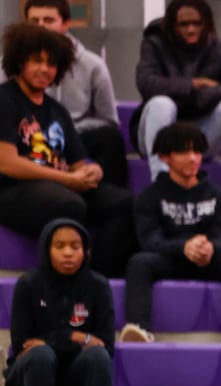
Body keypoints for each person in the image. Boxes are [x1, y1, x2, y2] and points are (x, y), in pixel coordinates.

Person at [0, 23, 135, 278]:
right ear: (19, 61)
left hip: (57, 186)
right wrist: (67, 179)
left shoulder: (57, 110)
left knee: (126, 204)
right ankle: (61, 281)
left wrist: (90, 170)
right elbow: (6, 163)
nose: (44, 69)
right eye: (36, 61)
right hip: (11, 191)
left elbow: (76, 162)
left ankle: (99, 279)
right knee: (67, 203)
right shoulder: (5, 100)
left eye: (51, 64)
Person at [121, 122, 221, 346]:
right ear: (165, 157)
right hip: (170, 258)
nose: (193, 158)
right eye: (183, 152)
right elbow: (150, 240)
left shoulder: (219, 196)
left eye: (196, 151)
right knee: (139, 262)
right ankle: (138, 327)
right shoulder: (149, 197)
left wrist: (210, 247)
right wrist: (183, 247)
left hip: (208, 259)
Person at [4, 218, 114, 386]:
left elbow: (106, 346)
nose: (67, 252)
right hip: (32, 379)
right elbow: (23, 346)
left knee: (97, 357)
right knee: (40, 355)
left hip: (78, 382)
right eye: (60, 245)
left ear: (85, 250)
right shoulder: (28, 285)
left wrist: (55, 340)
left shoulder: (98, 286)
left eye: (75, 246)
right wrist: (77, 338)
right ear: (46, 249)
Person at [135, 0, 221, 190]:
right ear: (172, 25)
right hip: (161, 133)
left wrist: (202, 96)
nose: (191, 29)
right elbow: (147, 84)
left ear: (207, 24)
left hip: (202, 135)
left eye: (197, 24)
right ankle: (162, 187)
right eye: (184, 24)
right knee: (161, 104)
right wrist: (192, 85)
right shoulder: (154, 44)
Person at [23, 0, 128, 187]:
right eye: (34, 21)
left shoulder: (92, 65)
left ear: (65, 24)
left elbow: (109, 120)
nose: (40, 27)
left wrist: (68, 128)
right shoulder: (9, 64)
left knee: (110, 139)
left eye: (48, 20)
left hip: (77, 135)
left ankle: (107, 199)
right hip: (28, 137)